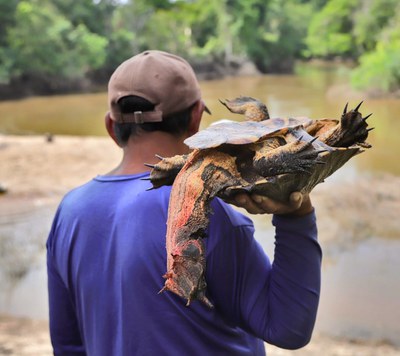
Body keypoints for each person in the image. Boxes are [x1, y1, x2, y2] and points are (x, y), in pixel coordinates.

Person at [46, 50, 322, 356]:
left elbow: (68, 345)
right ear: (195, 120)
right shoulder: (202, 211)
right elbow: (288, 327)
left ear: (112, 128)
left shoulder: (69, 212)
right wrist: (297, 216)